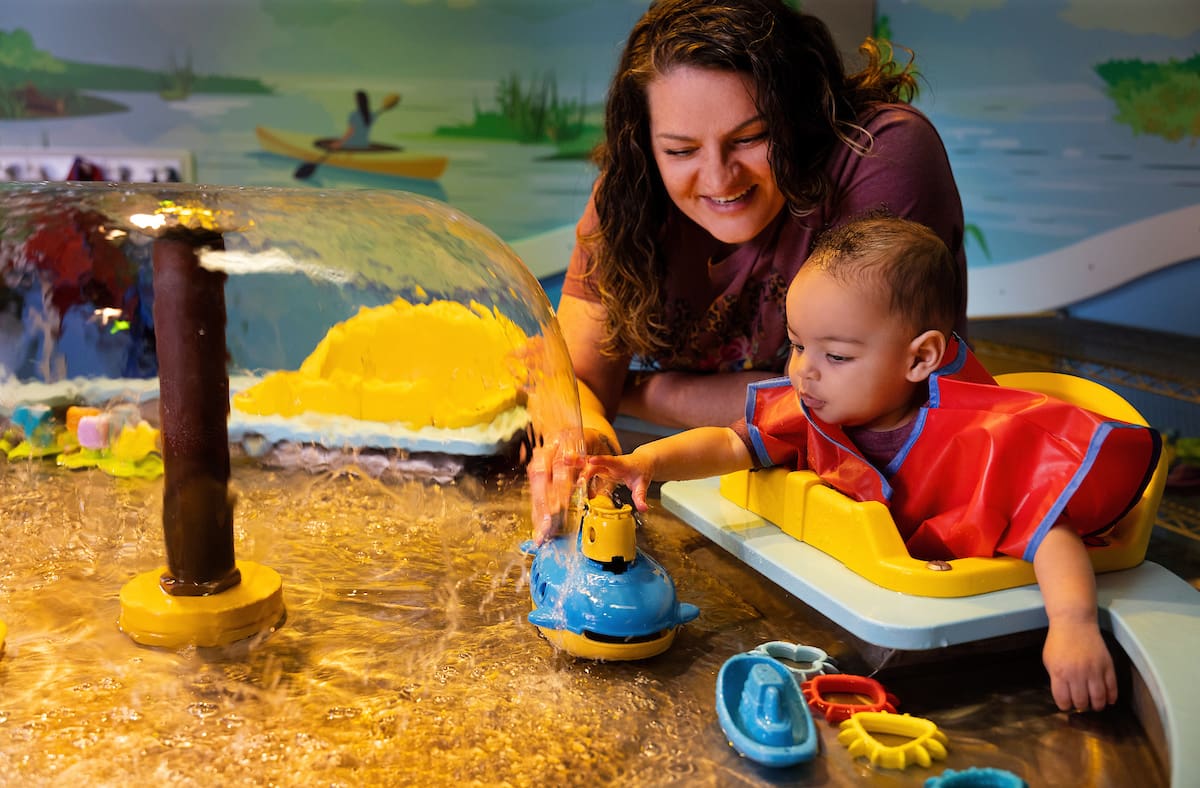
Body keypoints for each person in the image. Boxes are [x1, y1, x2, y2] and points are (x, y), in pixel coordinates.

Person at [584, 216, 1162, 714]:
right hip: (878, 598)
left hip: (978, 618)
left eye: (835, 355)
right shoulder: (816, 406)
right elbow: (730, 445)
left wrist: (1073, 627)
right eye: (796, 344)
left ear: (921, 358)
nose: (804, 370)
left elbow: (1051, 531)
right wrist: (647, 461)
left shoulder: (985, 440)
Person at [556, 0, 968, 462]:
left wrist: (640, 393)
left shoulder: (879, 153)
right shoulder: (629, 192)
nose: (719, 179)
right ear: (646, 145)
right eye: (680, 151)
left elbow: (847, 397)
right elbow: (576, 385)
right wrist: (586, 435)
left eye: (750, 138)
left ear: (800, 113)